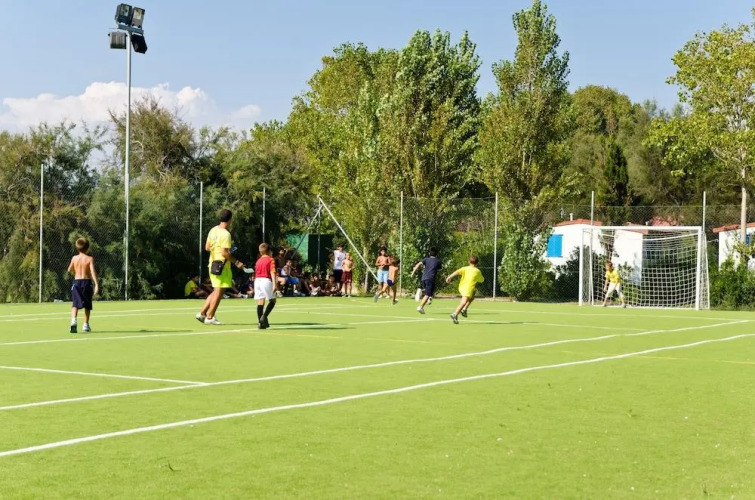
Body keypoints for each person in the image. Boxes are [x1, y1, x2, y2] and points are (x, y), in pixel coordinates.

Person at [196, 209, 245, 325]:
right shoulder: (226, 234)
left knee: (216, 290)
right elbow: (224, 253)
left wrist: (218, 247)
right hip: (222, 266)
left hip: (212, 264)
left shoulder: (213, 230)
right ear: (230, 219)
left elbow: (207, 247)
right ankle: (209, 317)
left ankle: (202, 313)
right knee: (219, 292)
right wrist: (237, 262)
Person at [67, 237, 99, 333]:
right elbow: (92, 271)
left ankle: (73, 321)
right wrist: (96, 284)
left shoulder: (74, 258)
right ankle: (85, 324)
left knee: (75, 304)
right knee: (87, 305)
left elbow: (69, 269)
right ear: (87, 248)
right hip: (87, 283)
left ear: (77, 248)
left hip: (76, 283)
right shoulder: (89, 259)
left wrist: (76, 271)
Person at [445, 255, 485, 324]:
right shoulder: (477, 271)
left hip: (462, 287)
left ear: (469, 261)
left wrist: (450, 277)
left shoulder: (465, 268)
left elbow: (457, 272)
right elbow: (482, 280)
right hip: (468, 289)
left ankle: (464, 309)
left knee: (472, 296)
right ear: (477, 263)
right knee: (463, 302)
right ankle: (455, 314)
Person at [254, 243, 279, 329]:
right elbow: (272, 272)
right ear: (269, 251)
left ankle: (260, 323)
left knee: (260, 301)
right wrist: (274, 284)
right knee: (273, 300)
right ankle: (264, 316)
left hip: (257, 281)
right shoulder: (270, 259)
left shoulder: (258, 261)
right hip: (265, 280)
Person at [411, 247, 441, 314]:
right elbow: (439, 270)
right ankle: (420, 307)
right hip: (431, 278)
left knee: (429, 292)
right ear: (437, 254)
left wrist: (413, 272)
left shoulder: (426, 259)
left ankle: (422, 294)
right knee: (428, 294)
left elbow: (418, 264)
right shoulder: (438, 261)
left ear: (429, 253)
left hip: (424, 278)